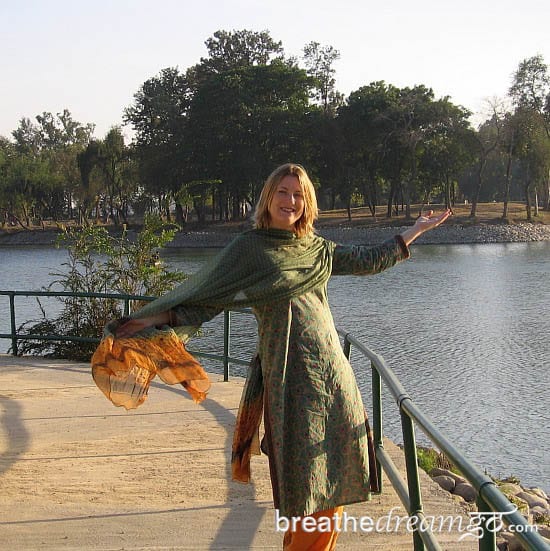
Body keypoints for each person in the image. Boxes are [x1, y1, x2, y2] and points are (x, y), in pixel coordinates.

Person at [97, 163, 450, 550]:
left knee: (333, 479)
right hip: (288, 381)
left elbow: (367, 259)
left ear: (307, 203)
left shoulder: (317, 248)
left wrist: (415, 231)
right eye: (283, 192)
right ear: (268, 197)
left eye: (299, 195)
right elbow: (203, 297)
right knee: (303, 483)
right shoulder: (249, 249)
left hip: (334, 377)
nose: (291, 201)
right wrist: (148, 320)